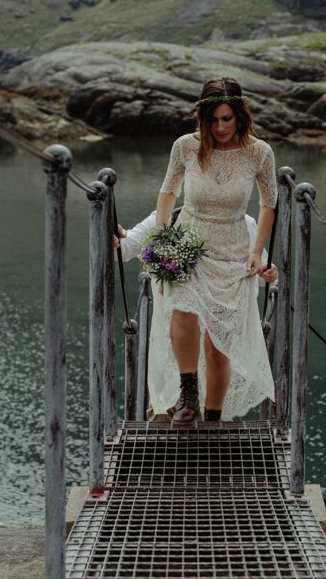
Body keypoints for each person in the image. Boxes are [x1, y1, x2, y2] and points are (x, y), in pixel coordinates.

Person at [117, 77, 278, 423]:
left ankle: (214, 418)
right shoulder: (185, 147)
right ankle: (189, 396)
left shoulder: (259, 153)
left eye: (227, 119)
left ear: (240, 116)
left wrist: (257, 252)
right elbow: (168, 193)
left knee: (219, 345)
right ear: (203, 118)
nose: (220, 127)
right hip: (189, 244)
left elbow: (269, 204)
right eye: (213, 120)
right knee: (182, 309)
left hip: (233, 248)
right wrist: (161, 238)